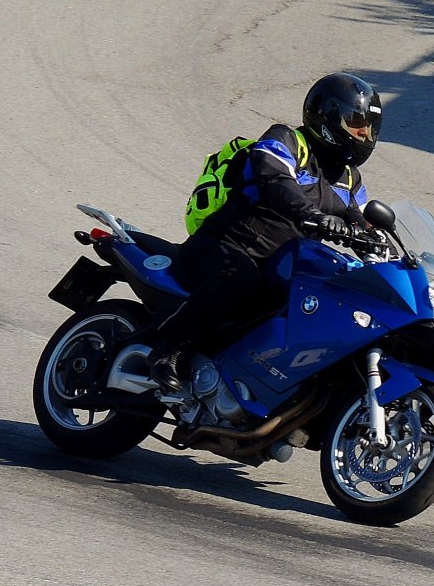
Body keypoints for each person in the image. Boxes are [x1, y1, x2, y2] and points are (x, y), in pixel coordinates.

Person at [149, 71, 383, 392]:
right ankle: (169, 350)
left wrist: (383, 246)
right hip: (226, 246)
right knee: (241, 280)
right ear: (329, 116)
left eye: (369, 126)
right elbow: (275, 180)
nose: (365, 133)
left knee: (325, 304)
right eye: (357, 123)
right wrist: (311, 214)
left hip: (282, 267)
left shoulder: (349, 179)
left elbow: (360, 220)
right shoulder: (286, 140)